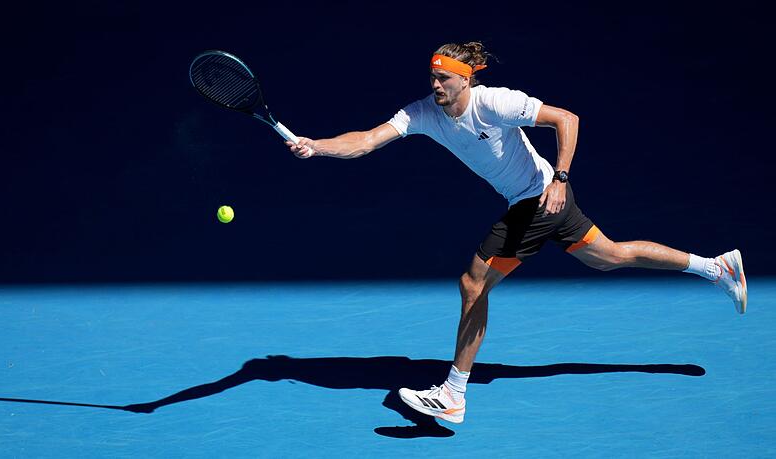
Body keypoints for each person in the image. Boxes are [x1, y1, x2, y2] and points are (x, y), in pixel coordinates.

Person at [285, 41, 747, 425]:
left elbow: (567, 119)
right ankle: (716, 267)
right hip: (533, 200)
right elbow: (366, 139)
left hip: (539, 197)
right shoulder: (424, 113)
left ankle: (453, 392)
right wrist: (317, 146)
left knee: (473, 282)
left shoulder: (495, 102)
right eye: (432, 78)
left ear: (467, 78)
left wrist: (561, 180)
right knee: (610, 256)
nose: (436, 86)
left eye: (444, 78)